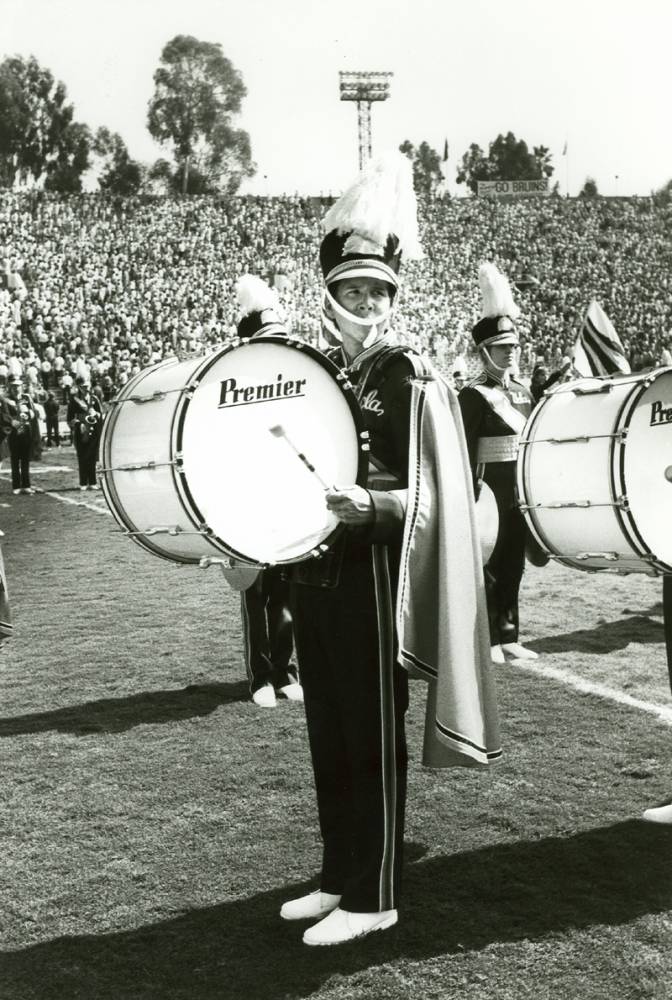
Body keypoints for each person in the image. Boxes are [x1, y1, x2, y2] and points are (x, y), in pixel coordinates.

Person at [282, 154, 500, 947]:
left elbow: (445, 497)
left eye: (379, 291)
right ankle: (338, 873)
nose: (366, 303)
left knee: (372, 734)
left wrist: (370, 506)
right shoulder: (305, 370)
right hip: (314, 572)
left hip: (379, 576)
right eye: (353, 289)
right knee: (329, 730)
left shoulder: (409, 374)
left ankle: (375, 894)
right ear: (330, 292)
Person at [458, 264, 537, 665]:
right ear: (485, 351)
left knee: (512, 565)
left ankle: (509, 635)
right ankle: (487, 639)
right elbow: (463, 449)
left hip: (517, 489)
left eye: (514, 347)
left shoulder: (523, 392)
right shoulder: (472, 395)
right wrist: (469, 493)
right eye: (502, 347)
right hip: (486, 489)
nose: (510, 352)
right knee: (487, 565)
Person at [234, 274, 302, 708]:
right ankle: (260, 676)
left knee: (287, 590)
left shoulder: (298, 382)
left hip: (288, 498)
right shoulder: (236, 386)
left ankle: (286, 670)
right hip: (249, 499)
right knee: (255, 591)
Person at [1, 378, 37, 494]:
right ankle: (16, 486)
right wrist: (12, 421)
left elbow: (33, 412)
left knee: (25, 459)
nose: (16, 388)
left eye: (18, 386)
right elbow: (4, 415)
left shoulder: (26, 398)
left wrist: (29, 415)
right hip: (14, 431)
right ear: (10, 387)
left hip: (26, 430)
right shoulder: (6, 399)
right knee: (15, 459)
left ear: (22, 386)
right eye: (14, 386)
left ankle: (26, 485)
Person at [67, 377, 103, 490]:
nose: (86, 389)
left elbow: (101, 415)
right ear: (78, 387)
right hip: (81, 431)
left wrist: (96, 413)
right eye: (83, 387)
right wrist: (78, 424)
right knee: (82, 456)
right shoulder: (74, 401)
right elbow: (70, 419)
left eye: (87, 387)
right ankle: (83, 482)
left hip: (93, 430)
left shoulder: (94, 399)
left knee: (92, 456)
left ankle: (92, 482)